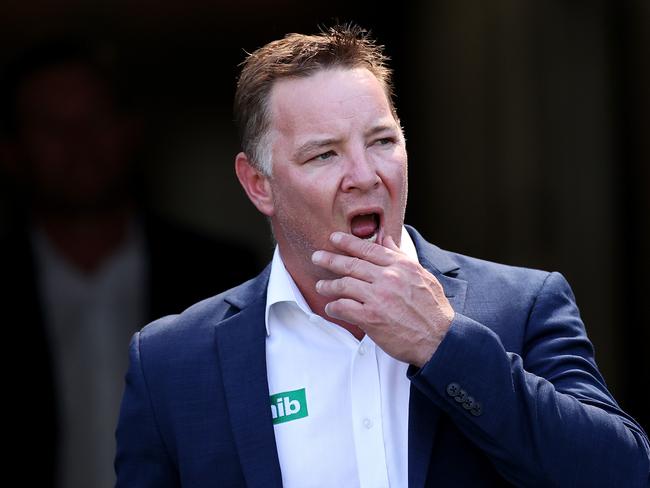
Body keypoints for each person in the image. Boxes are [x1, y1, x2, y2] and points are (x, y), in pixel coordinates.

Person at [114, 24, 650, 487]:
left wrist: (443, 341)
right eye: (324, 153)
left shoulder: (524, 305)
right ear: (259, 184)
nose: (366, 176)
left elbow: (620, 473)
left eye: (381, 141)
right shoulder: (171, 363)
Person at [0, 39, 259, 488]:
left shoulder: (223, 278)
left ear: (130, 128)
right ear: (11, 150)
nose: (78, 143)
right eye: (51, 126)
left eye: (94, 119)